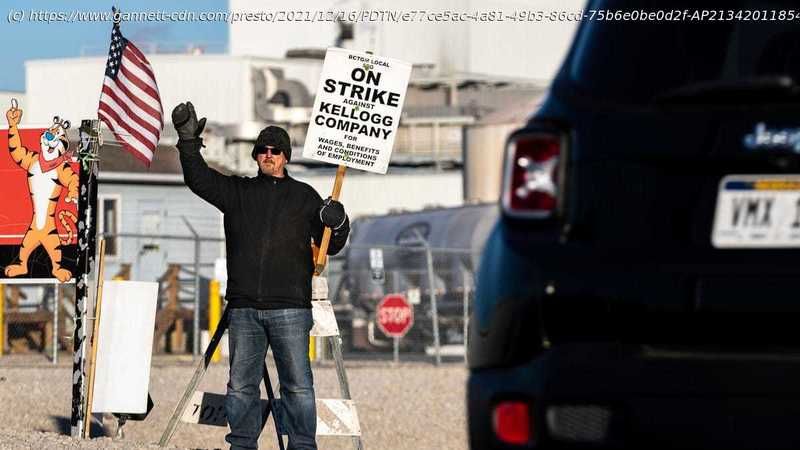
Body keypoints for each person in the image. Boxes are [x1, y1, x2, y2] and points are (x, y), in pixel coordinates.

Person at [172, 102, 349, 450]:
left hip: (291, 309)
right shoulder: (238, 193)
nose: (269, 155)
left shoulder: (305, 197)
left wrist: (339, 221)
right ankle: (241, 445)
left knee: (298, 386)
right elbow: (198, 179)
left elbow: (333, 244)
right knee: (240, 387)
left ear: (285, 157)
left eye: (275, 150)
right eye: (263, 150)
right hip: (244, 310)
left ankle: (302, 445)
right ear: (255, 156)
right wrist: (188, 143)